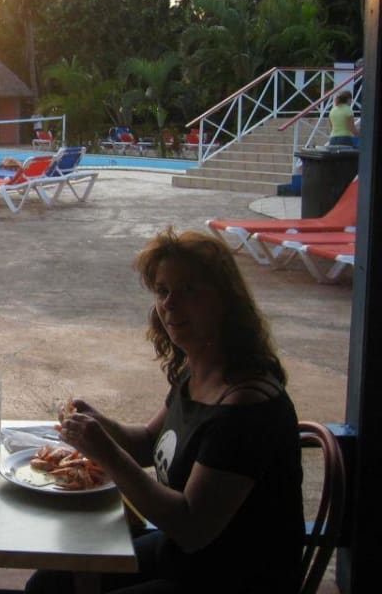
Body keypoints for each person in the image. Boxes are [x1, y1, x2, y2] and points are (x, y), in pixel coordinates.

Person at [26, 229, 303, 594]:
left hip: (231, 578)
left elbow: (191, 527)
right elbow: (146, 444)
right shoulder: (198, 372)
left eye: (189, 289)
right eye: (162, 290)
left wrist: (106, 453)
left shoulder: (246, 406)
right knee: (49, 582)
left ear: (225, 299)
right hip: (189, 558)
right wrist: (99, 424)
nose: (170, 303)